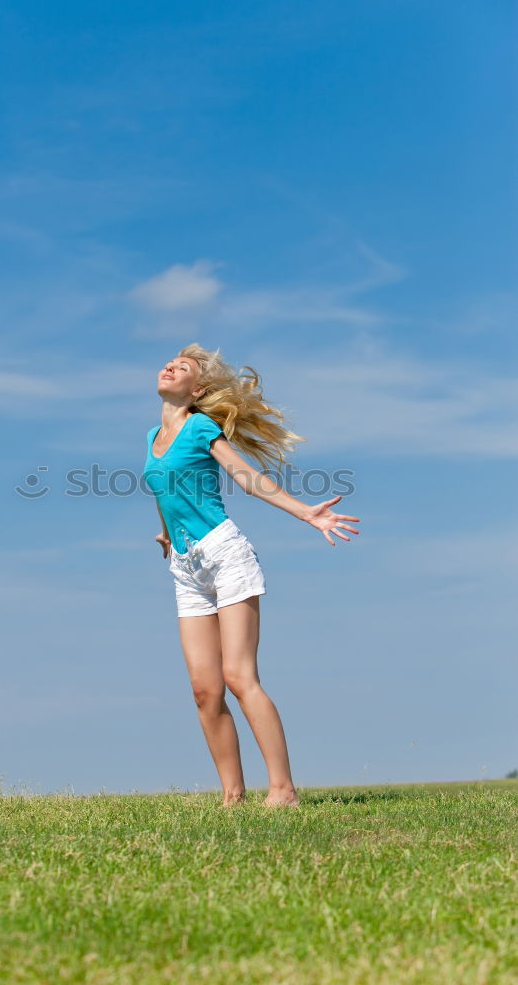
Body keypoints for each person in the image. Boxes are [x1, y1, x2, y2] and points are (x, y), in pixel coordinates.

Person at [142, 344, 360, 808]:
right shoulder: (150, 438)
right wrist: (165, 533)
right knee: (205, 690)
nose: (170, 367)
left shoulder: (201, 426)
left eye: (182, 368)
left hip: (224, 555)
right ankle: (232, 796)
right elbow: (166, 489)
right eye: (169, 362)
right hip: (186, 565)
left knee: (239, 677)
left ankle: (283, 791)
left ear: (196, 389)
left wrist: (306, 513)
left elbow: (245, 477)